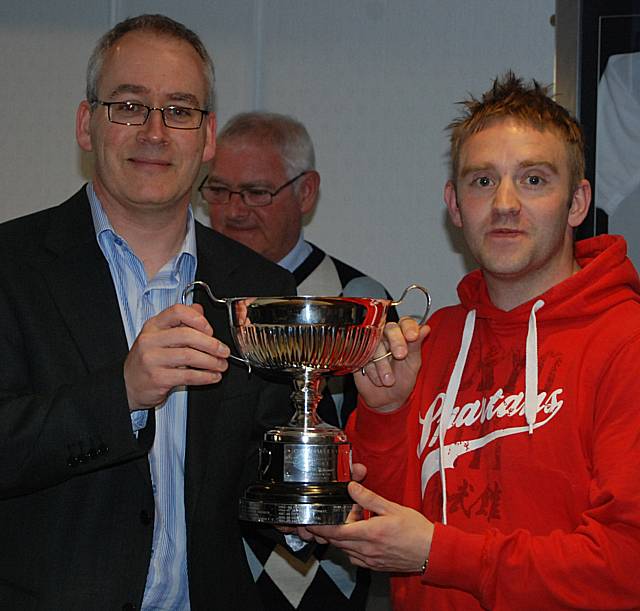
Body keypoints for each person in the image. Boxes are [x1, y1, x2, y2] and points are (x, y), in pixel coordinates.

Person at [301, 72, 640, 611]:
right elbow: (376, 529)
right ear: (454, 205)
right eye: (482, 181)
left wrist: (441, 553)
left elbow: (626, 567)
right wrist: (386, 411)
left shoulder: (626, 342)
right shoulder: (433, 341)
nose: (504, 204)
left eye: (533, 180)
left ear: (577, 204)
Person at [0, 14, 296, 611]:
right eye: (130, 106)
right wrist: (122, 393)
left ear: (208, 137)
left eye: (180, 110)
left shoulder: (262, 289)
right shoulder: (12, 267)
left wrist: (304, 501)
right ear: (88, 125)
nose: (155, 132)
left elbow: (254, 477)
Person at [202, 112, 396, 609]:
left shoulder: (359, 301)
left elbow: (385, 443)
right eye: (218, 190)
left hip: (335, 572)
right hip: (212, 567)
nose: (234, 210)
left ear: (306, 192)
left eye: (257, 192)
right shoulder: (193, 295)